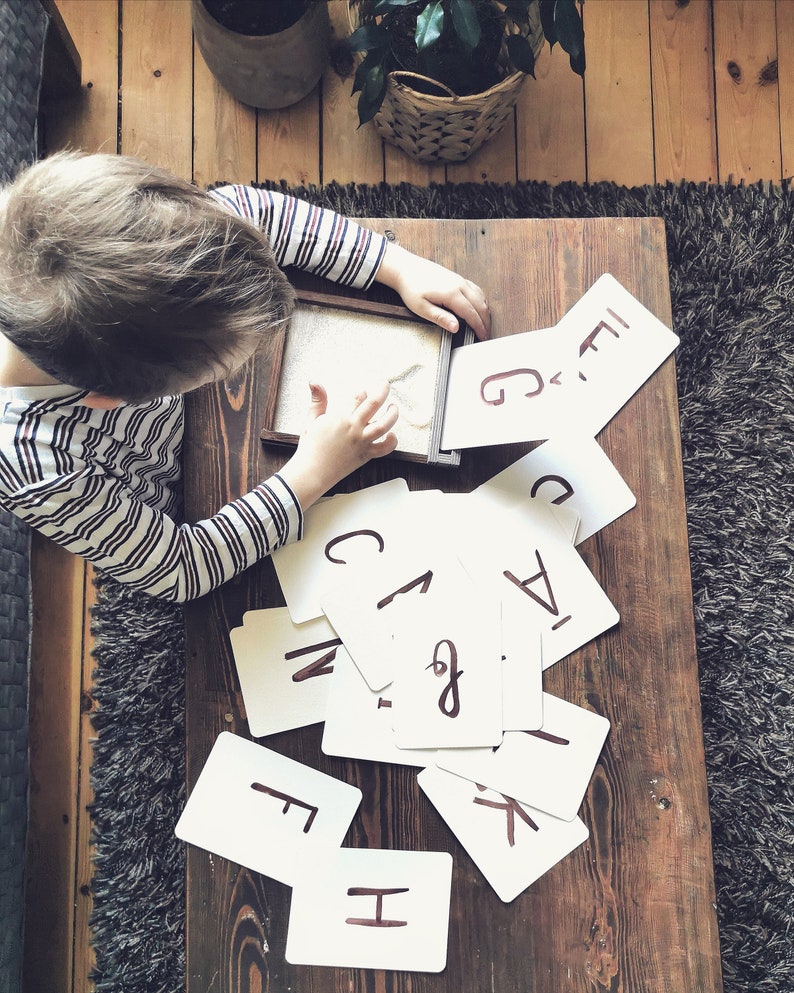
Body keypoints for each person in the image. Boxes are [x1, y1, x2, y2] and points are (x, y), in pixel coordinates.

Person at [0, 152, 490, 603]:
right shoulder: (39, 470)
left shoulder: (137, 228)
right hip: (173, 495)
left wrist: (396, 265)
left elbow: (259, 212)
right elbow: (180, 569)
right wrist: (316, 469)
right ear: (114, 400)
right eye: (221, 370)